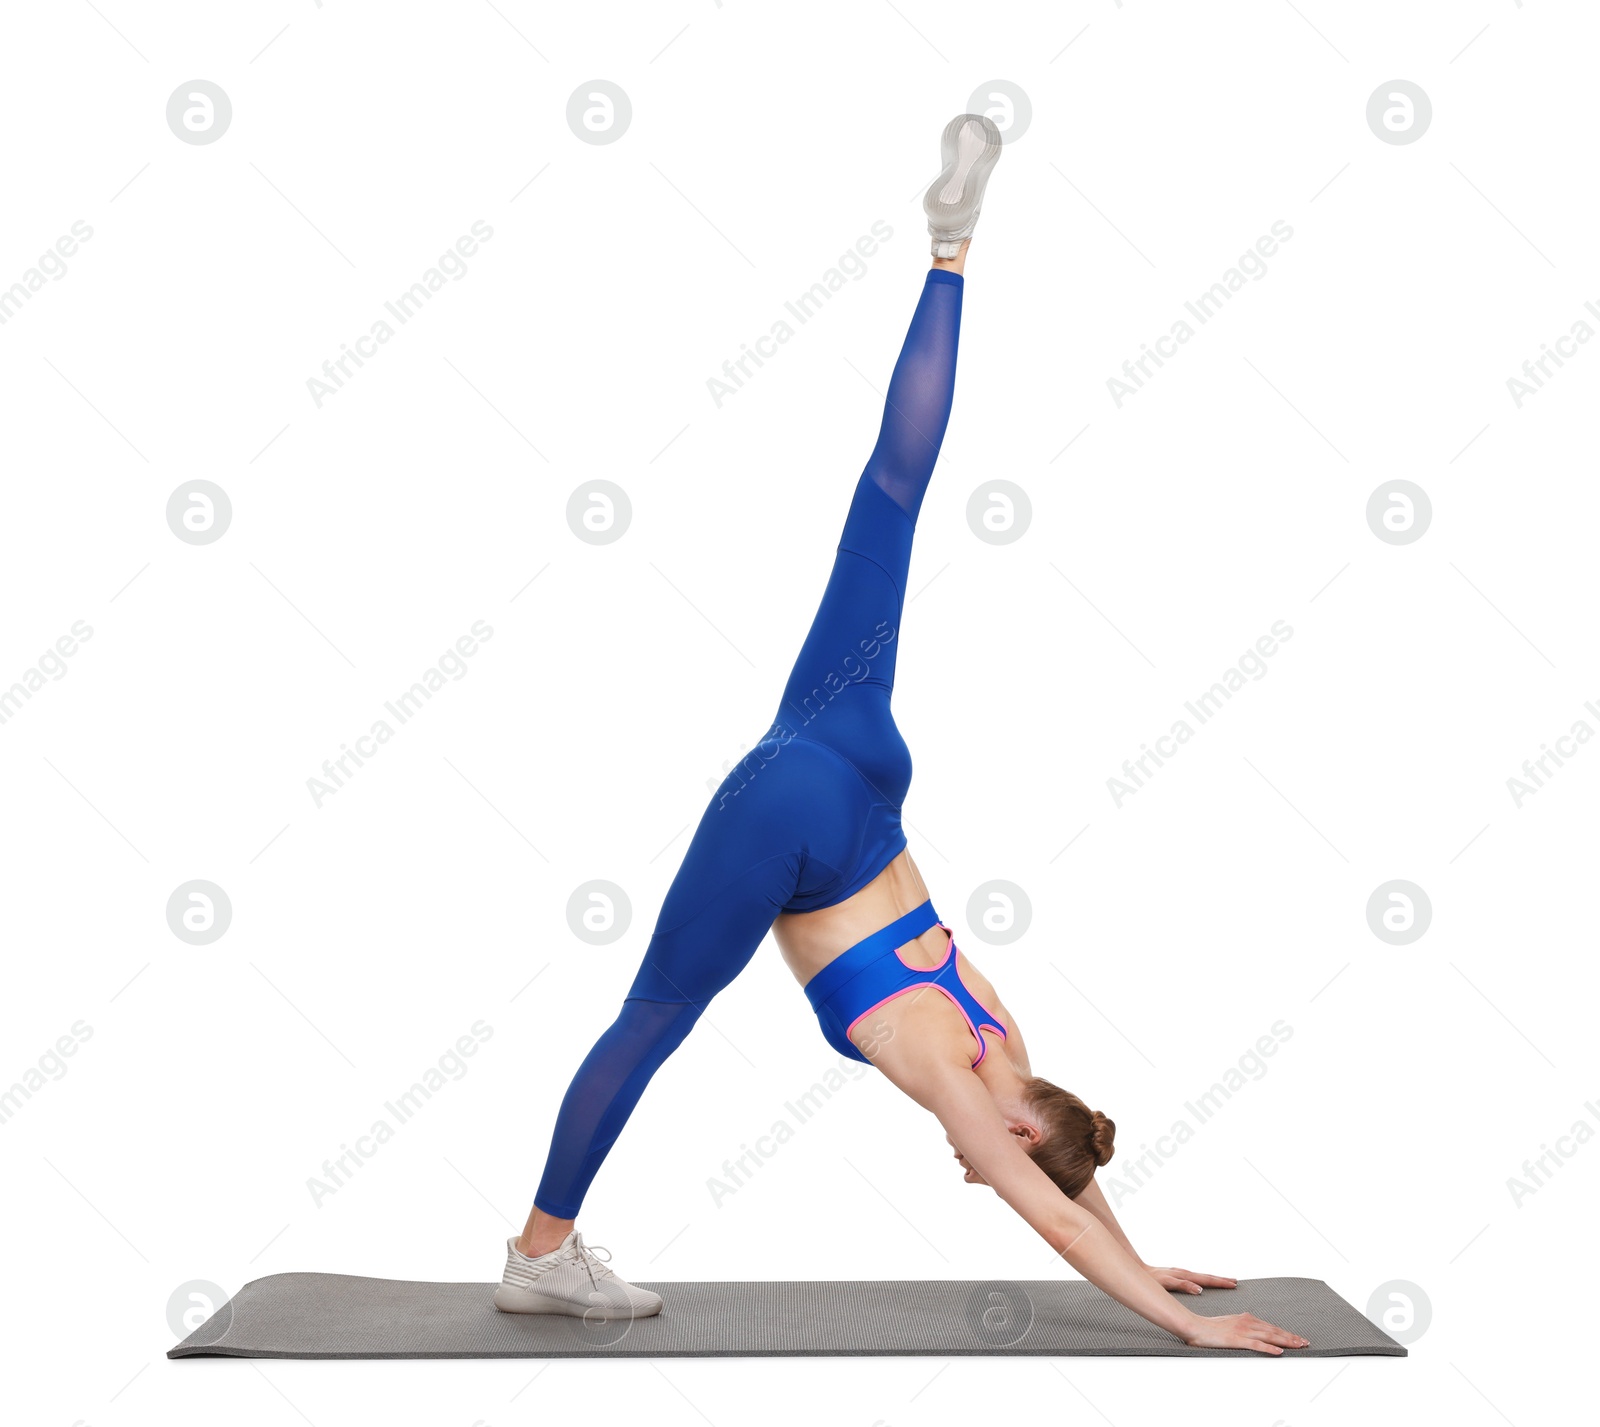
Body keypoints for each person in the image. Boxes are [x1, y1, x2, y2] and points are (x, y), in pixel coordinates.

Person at [494, 114, 1308, 1356]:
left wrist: (1151, 1256)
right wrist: (1169, 1317)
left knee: (890, 496)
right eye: (1001, 1163)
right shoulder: (964, 1083)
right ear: (1020, 1128)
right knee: (651, 1015)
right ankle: (538, 1254)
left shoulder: (1006, 1037)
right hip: (790, 828)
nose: (979, 1172)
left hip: (850, 751)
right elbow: (1057, 1218)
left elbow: (1068, 1165)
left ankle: (949, 255)